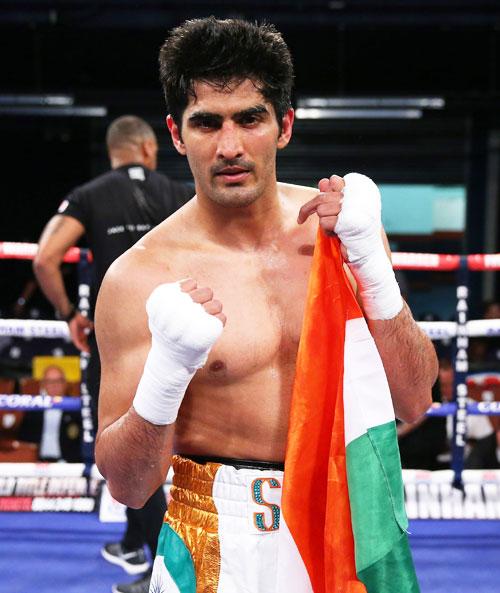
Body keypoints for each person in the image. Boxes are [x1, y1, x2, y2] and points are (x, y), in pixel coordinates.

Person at [94, 19, 438, 592]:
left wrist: (373, 272)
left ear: (284, 126)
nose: (229, 147)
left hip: (346, 517)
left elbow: (415, 399)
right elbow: (129, 486)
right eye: (207, 123)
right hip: (214, 532)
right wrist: (168, 369)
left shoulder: (343, 234)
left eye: (250, 118)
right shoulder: (139, 277)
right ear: (177, 135)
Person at [33, 115, 193, 593]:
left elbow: (44, 258)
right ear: (148, 147)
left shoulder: (92, 194)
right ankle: (131, 541)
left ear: (114, 152)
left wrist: (69, 315)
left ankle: (164, 570)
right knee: (167, 448)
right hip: (177, 338)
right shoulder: (177, 192)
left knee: (126, 450)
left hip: (118, 342)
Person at [19, 365, 82, 462]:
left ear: (65, 383)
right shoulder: (33, 409)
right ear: (43, 384)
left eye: (58, 381)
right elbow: (24, 439)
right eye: (49, 381)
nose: (54, 385)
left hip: (68, 465)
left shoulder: (76, 409)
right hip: (37, 464)